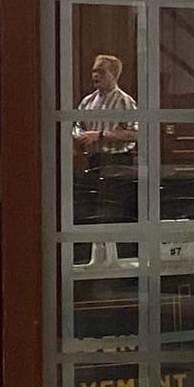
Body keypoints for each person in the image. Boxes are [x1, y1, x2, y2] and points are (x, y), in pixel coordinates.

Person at [74, 53, 138, 257]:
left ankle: (122, 258)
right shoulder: (87, 101)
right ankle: (92, 257)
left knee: (116, 213)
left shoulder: (124, 101)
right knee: (90, 211)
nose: (95, 75)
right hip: (93, 162)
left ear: (114, 74)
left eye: (101, 71)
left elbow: (135, 133)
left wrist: (101, 135)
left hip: (117, 163)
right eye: (94, 70)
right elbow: (76, 125)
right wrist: (78, 136)